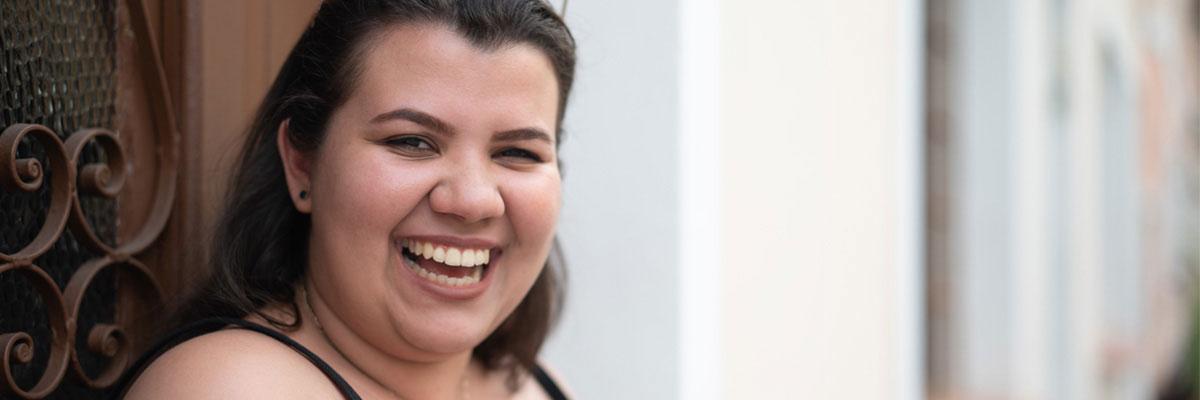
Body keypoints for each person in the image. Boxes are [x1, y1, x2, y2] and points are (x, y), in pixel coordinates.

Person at [114, 0, 575, 398]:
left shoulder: (536, 384)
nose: (473, 200)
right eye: (411, 142)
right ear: (302, 163)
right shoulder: (226, 387)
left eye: (517, 152)